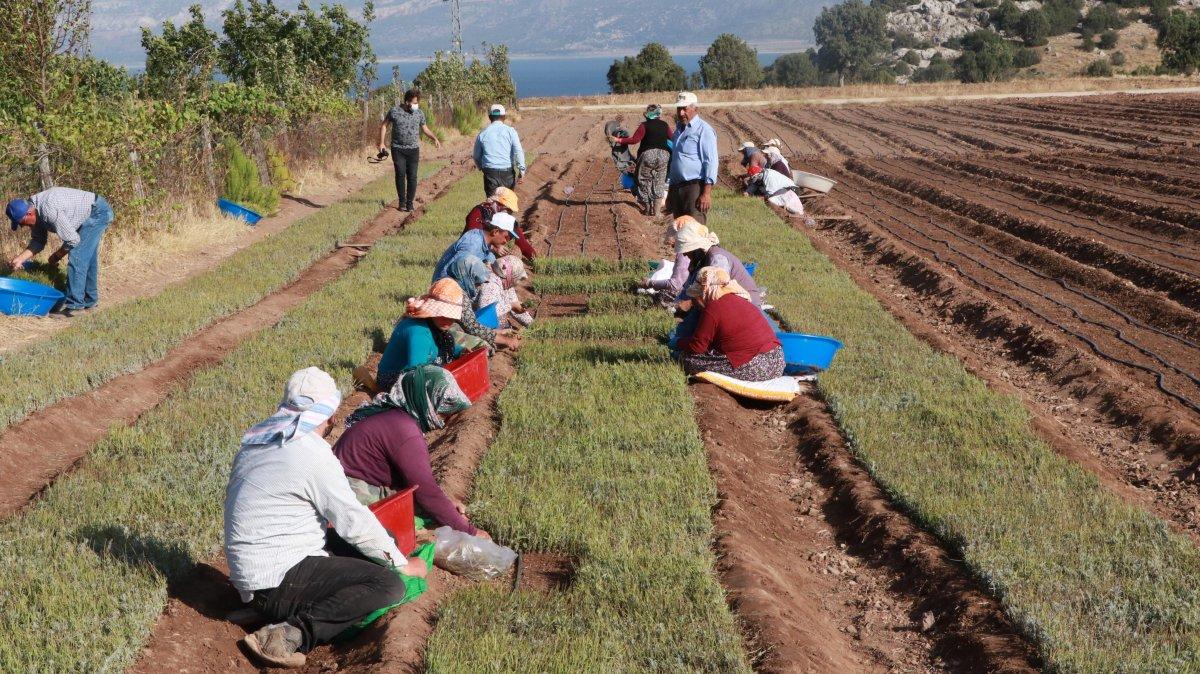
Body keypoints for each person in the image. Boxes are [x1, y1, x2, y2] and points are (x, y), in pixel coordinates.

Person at [224, 367, 427, 668]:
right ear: (329, 415)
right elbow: (352, 520)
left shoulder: (259, 439)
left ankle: (265, 608)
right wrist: (401, 564)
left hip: (253, 577)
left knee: (376, 544)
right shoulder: (311, 453)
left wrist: (388, 549)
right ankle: (288, 634)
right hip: (277, 582)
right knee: (387, 583)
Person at [335, 366, 490, 537]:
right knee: (402, 531)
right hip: (350, 491)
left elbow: (417, 484)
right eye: (443, 411)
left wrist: (447, 504)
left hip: (345, 481)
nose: (445, 420)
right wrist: (470, 531)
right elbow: (426, 491)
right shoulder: (406, 431)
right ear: (425, 400)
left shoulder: (396, 416)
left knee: (419, 508)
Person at [6, 187, 114, 316]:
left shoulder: (48, 210)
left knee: (78, 255)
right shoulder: (34, 210)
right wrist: (20, 259)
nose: (22, 226)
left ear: (29, 213)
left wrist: (57, 255)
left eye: (21, 222)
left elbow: (73, 240)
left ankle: (75, 307)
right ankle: (90, 301)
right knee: (87, 258)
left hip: (97, 212)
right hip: (90, 212)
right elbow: (38, 241)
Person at [677, 267, 785, 381]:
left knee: (687, 359)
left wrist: (678, 342)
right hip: (777, 361)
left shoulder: (713, 308)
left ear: (706, 291)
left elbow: (697, 347)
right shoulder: (740, 300)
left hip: (757, 367)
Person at [376, 279, 482, 392]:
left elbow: (438, 345)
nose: (447, 319)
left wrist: (460, 351)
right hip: (393, 378)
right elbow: (416, 375)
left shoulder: (434, 325)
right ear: (433, 310)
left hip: (414, 371)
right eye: (442, 314)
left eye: (451, 316)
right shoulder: (419, 332)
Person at [674, 217, 761, 307]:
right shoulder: (700, 261)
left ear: (697, 248)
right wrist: (677, 303)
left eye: (687, 250)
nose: (684, 254)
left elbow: (717, 293)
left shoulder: (718, 259)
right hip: (730, 303)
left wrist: (690, 303)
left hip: (747, 305)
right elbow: (688, 291)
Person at [379, 89, 442, 212]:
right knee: (400, 174)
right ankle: (402, 202)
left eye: (417, 102)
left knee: (412, 176)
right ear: (407, 102)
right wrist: (381, 143)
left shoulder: (419, 113)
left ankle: (410, 203)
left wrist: (434, 138)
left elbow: (425, 129)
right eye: (414, 102)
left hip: (413, 150)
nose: (416, 105)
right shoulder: (394, 111)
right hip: (398, 149)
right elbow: (384, 125)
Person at [611, 104, 674, 216]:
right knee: (659, 181)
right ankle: (657, 212)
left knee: (643, 180)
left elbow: (634, 140)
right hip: (664, 155)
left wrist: (618, 140)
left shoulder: (644, 125)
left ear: (647, 115)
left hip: (648, 154)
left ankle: (647, 209)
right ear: (659, 114)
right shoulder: (665, 125)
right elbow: (673, 138)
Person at [666, 91, 718, 224]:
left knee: (694, 229)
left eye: (685, 108)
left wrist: (706, 193)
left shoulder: (704, 130)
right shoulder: (678, 130)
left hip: (694, 188)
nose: (681, 113)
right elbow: (675, 161)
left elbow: (710, 162)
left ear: (695, 108)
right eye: (679, 109)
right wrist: (671, 191)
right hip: (677, 187)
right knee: (680, 229)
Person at [432, 212, 517, 281]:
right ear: (495, 232)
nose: (506, 241)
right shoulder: (472, 244)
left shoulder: (486, 245)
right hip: (446, 286)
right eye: (506, 237)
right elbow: (453, 273)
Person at [464, 187, 536, 260]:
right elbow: (472, 238)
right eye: (507, 209)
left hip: (487, 251)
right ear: (497, 203)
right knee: (490, 258)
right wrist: (494, 248)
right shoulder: (478, 212)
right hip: (469, 250)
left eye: (510, 211)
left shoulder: (505, 219)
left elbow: (522, 241)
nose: (508, 213)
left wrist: (535, 258)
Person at [473, 103, 526, 197]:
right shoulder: (511, 131)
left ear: (490, 117)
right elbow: (518, 151)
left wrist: (481, 167)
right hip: (507, 174)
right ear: (504, 116)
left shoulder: (482, 133)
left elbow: (476, 156)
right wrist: (521, 170)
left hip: (490, 174)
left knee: (492, 202)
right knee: (507, 201)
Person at [477, 255, 533, 330]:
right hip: (483, 326)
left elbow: (514, 303)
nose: (517, 282)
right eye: (516, 278)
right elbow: (486, 314)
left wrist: (533, 325)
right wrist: (510, 306)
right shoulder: (490, 284)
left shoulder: (506, 282)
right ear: (509, 275)